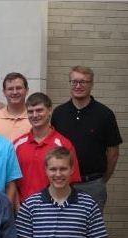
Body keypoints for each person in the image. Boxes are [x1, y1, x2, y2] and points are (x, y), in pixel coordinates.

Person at [51, 65, 123, 210]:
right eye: (74, 82)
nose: (78, 86)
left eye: (83, 82)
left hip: (93, 184)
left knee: (91, 230)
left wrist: (101, 180)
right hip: (63, 183)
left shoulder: (105, 114)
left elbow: (113, 152)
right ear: (70, 83)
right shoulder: (58, 113)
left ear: (92, 84)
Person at [16, 147, 108, 238]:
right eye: (53, 169)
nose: (58, 174)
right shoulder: (30, 205)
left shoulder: (89, 205)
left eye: (63, 169)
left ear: (72, 169)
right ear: (46, 170)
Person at [14, 92, 81, 203]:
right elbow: (12, 183)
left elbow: (71, 181)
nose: (35, 115)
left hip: (54, 209)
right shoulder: (17, 144)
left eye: (39, 110)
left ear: (50, 111)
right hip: (24, 208)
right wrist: (18, 209)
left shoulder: (64, 144)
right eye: (30, 111)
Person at [0, 72, 31, 142]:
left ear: (27, 90)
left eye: (18, 88)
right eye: (10, 89)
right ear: (4, 92)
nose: (15, 92)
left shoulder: (35, 117)